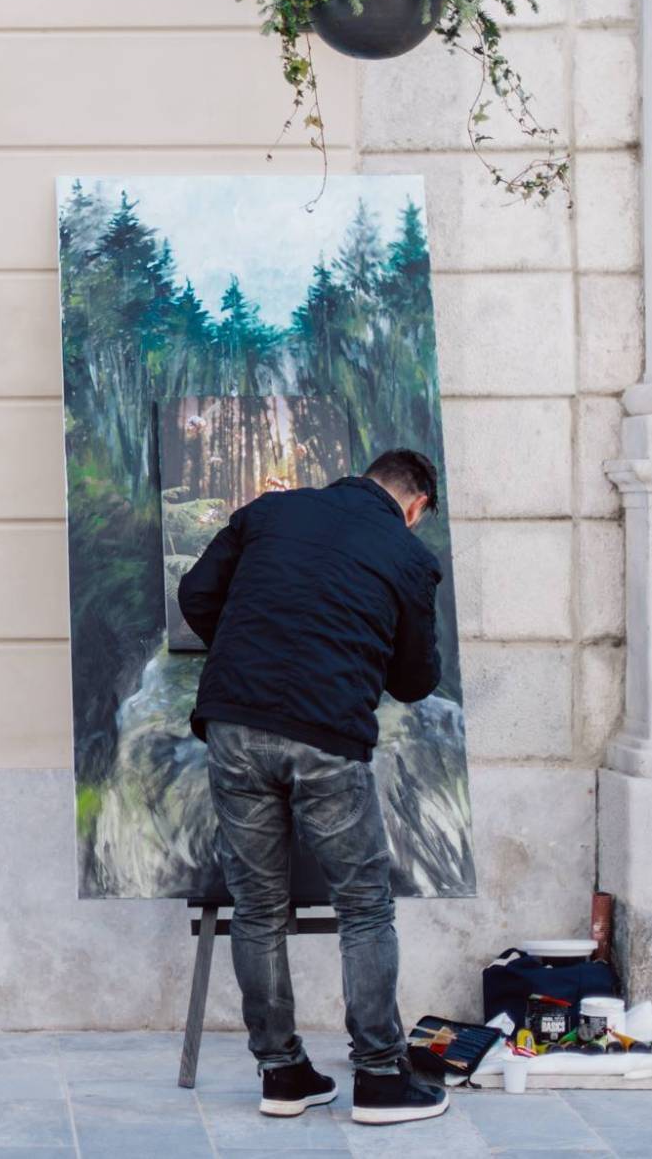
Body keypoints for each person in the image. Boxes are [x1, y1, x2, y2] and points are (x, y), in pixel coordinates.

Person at [176, 448, 449, 1127]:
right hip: (325, 733)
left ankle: (282, 1073)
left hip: (234, 722)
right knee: (364, 908)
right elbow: (416, 681)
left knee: (257, 907)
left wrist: (249, 650)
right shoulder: (408, 555)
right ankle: (380, 1078)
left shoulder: (272, 511)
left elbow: (196, 594)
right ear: (415, 505)